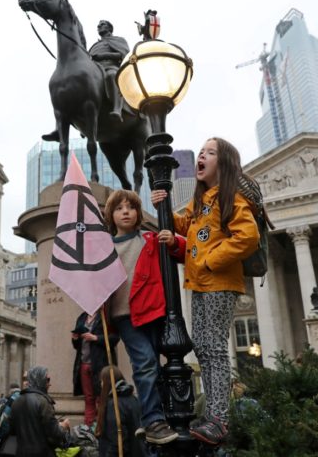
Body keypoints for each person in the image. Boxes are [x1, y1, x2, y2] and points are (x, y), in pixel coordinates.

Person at [152, 136, 259, 446]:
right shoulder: (202, 201)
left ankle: (219, 420)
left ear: (223, 163)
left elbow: (247, 236)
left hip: (219, 282)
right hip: (199, 283)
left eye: (210, 152)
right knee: (203, 347)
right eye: (201, 152)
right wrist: (162, 206)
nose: (202, 156)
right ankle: (212, 414)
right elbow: (182, 225)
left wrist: (212, 260)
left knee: (212, 348)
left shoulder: (232, 198)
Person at [103, 189, 186, 445]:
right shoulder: (104, 249)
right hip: (125, 316)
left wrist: (173, 241)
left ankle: (152, 418)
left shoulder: (149, 239)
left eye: (130, 207)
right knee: (146, 364)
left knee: (157, 367)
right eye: (119, 208)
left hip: (153, 311)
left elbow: (182, 253)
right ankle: (152, 420)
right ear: (111, 215)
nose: (125, 211)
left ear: (138, 213)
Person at [71, 311, 119, 426]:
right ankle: (88, 428)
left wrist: (95, 338)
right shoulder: (81, 317)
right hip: (83, 363)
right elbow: (76, 346)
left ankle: (102, 428)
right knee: (88, 398)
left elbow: (115, 338)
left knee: (101, 398)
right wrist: (75, 339)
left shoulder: (105, 316)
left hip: (100, 363)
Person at [10, 366, 70, 457]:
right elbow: (54, 434)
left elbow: (13, 430)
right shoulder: (43, 402)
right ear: (40, 379)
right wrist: (64, 426)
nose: (50, 384)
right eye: (48, 379)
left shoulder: (16, 402)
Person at [95, 366, 148, 457]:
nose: (101, 384)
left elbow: (117, 442)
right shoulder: (133, 399)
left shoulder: (114, 405)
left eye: (102, 381)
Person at [88, 20, 130, 122]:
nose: (99, 26)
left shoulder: (119, 40)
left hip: (110, 66)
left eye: (102, 25)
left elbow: (123, 55)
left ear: (109, 28)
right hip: (94, 70)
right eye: (98, 25)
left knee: (112, 75)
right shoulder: (94, 46)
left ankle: (117, 109)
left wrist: (104, 55)